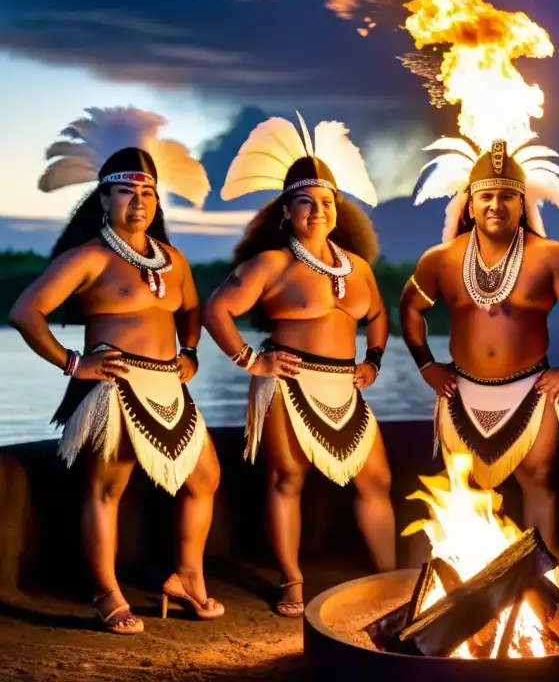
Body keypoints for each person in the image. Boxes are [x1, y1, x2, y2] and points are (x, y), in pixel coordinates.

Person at [8, 107, 224, 634]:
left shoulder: (173, 260)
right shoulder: (88, 258)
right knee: (106, 490)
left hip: (171, 388)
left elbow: (192, 310)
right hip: (116, 388)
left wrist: (191, 351)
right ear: (104, 198)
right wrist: (73, 363)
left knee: (206, 478)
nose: (138, 202)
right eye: (126, 192)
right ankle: (107, 594)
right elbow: (24, 312)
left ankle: (188, 577)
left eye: (148, 193)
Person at [202, 113, 393, 617]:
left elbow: (377, 315)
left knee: (376, 480)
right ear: (286, 211)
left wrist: (372, 359)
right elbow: (215, 310)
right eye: (305, 201)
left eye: (326, 201)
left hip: (344, 387)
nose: (317, 210)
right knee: (286, 480)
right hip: (287, 381)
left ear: (338, 209)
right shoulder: (272, 264)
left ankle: (389, 576)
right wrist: (250, 361)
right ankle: (291, 581)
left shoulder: (359, 268)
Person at [399, 134, 559, 551]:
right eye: (486, 196)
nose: (496, 205)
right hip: (461, 388)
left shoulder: (550, 255)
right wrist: (426, 365)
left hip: (531, 386)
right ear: (470, 205)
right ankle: (468, 581)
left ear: (521, 204)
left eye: (507, 196)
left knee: (538, 477)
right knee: (462, 483)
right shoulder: (442, 258)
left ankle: (545, 577)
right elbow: (409, 306)